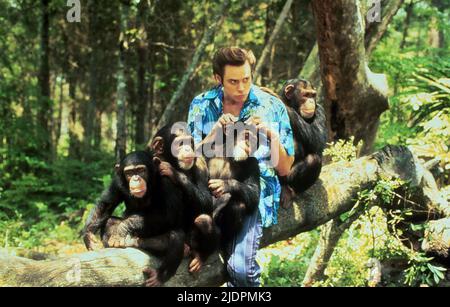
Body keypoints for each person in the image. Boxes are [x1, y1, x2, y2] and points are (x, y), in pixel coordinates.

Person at [187, 47, 294, 287]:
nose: (241, 87)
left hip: (249, 192)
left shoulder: (271, 106)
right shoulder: (202, 105)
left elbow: (285, 168)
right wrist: (213, 135)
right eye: (233, 81)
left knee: (241, 270)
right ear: (218, 78)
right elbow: (189, 160)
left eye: (246, 79)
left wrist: (271, 135)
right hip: (209, 192)